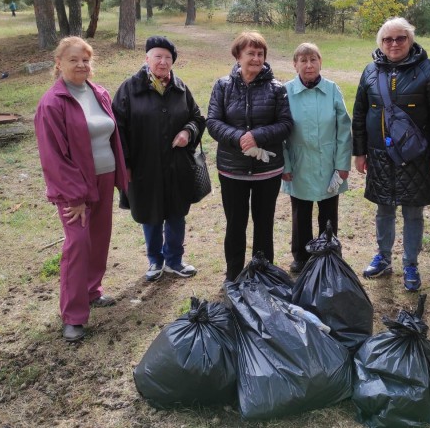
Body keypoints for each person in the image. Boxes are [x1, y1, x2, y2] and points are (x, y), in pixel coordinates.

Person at [34, 37, 127, 343]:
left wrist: (120, 177)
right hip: (74, 188)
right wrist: (75, 197)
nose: (81, 65)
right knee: (78, 245)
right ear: (58, 63)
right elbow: (53, 158)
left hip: (104, 177)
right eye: (73, 60)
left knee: (99, 240)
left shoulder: (99, 92)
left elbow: (111, 137)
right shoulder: (52, 103)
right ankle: (73, 316)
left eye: (86, 60)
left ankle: (92, 291)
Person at [352, 17, 430, 291]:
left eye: (400, 38)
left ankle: (410, 263)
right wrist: (359, 152)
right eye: (388, 39)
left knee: (413, 212)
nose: (394, 44)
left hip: (416, 156)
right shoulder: (370, 72)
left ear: (410, 39)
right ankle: (383, 257)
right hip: (379, 155)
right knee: (384, 209)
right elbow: (359, 114)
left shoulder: (429, 71)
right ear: (380, 43)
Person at [112, 36, 206, 282]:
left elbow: (197, 117)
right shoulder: (129, 89)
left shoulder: (180, 88)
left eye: (168, 58)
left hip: (177, 166)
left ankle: (174, 260)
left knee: (176, 213)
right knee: (150, 213)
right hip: (145, 167)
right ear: (147, 59)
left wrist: (188, 132)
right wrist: (127, 166)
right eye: (158, 57)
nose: (163, 62)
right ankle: (155, 260)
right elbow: (118, 129)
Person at [207, 31, 294, 281]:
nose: (256, 59)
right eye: (250, 53)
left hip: (267, 171)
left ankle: (262, 274)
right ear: (238, 56)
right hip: (232, 170)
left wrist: (258, 135)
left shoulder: (277, 88)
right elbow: (212, 122)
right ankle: (233, 275)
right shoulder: (223, 86)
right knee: (235, 225)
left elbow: (286, 124)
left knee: (264, 224)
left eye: (260, 54)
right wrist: (238, 137)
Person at [281, 43, 352, 273]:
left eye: (313, 60)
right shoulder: (285, 91)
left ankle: (328, 254)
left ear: (321, 62)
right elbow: (279, 133)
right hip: (299, 164)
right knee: (300, 213)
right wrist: (286, 164)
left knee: (329, 212)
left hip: (329, 164)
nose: (308, 65)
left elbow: (344, 129)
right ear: (295, 64)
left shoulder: (332, 90)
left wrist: (342, 165)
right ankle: (301, 256)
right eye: (303, 60)